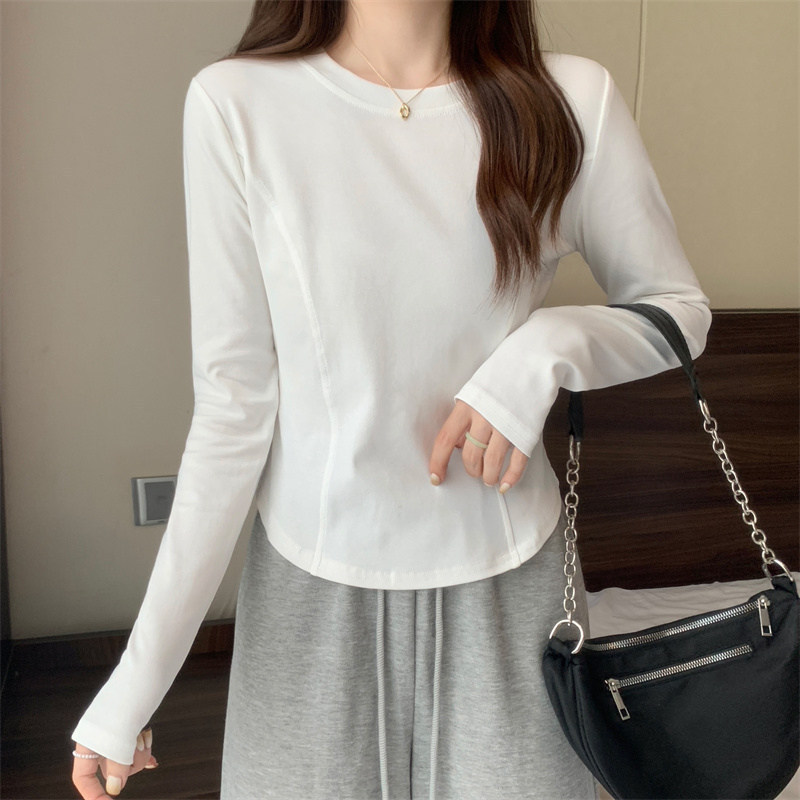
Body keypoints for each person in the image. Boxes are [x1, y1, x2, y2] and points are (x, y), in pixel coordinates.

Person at [70, 1, 712, 798]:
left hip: (512, 581)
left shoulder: (571, 99)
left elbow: (677, 312)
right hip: (311, 586)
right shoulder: (237, 104)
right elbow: (233, 410)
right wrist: (134, 685)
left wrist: (543, 351)